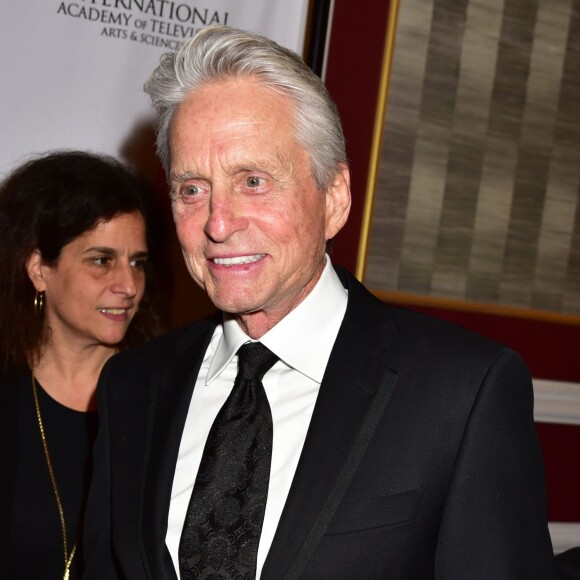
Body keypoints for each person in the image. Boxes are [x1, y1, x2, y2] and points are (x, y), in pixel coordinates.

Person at [83, 26, 554, 579]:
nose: (217, 222)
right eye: (192, 188)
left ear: (334, 199)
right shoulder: (131, 387)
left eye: (253, 181)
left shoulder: (461, 393)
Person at [0, 151, 163, 579]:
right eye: (101, 260)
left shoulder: (167, 395)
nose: (128, 286)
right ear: (39, 269)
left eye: (137, 263)